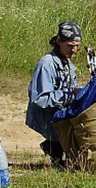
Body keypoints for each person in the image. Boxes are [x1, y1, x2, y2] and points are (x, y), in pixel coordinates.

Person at [26, 21, 82, 167]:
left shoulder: (65, 62)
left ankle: (59, 148)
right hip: (46, 115)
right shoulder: (46, 64)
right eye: (70, 46)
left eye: (77, 46)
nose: (74, 50)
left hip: (60, 110)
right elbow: (40, 99)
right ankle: (53, 146)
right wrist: (69, 95)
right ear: (58, 41)